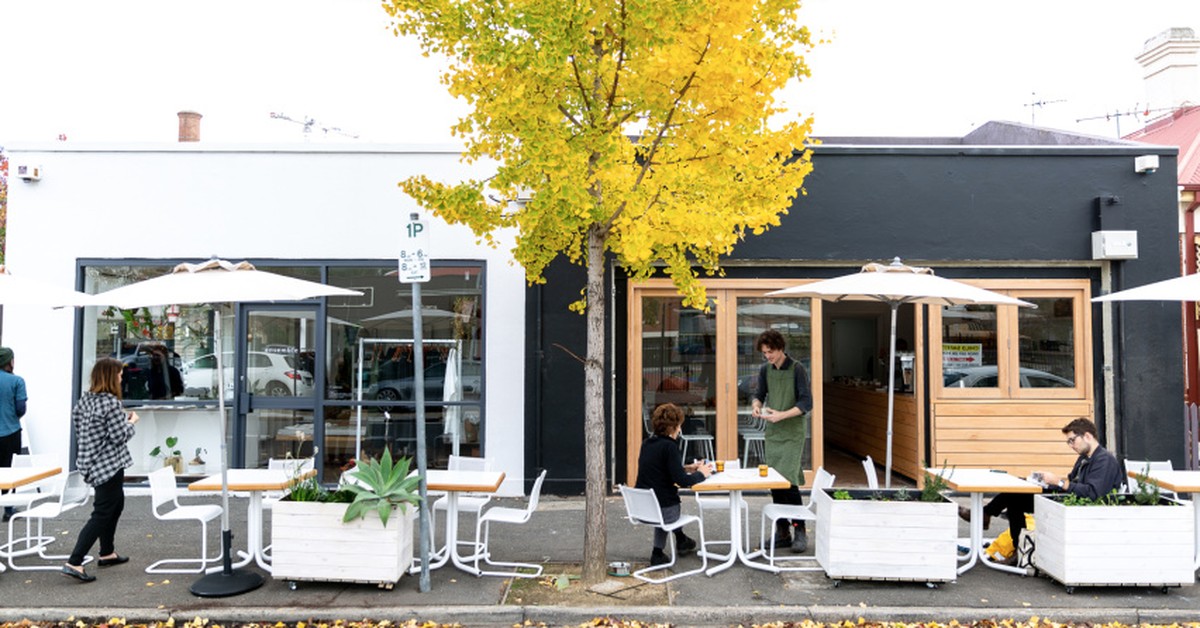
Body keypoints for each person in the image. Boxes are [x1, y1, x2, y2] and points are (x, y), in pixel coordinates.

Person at [965, 417, 1122, 566]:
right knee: (1015, 494)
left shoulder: (1104, 460)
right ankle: (1013, 545)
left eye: (1072, 440)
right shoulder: (1085, 458)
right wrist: (1043, 483)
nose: (1071, 445)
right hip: (1071, 501)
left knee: (1015, 499)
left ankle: (986, 516)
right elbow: (1071, 483)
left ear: (1087, 436)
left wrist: (1058, 482)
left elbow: (1093, 493)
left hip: (1081, 508)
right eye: (1068, 442)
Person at [62, 357, 139, 583]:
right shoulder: (111, 403)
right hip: (108, 465)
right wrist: (131, 422)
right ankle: (75, 561)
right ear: (111, 377)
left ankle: (107, 552)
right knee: (103, 512)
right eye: (120, 375)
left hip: (91, 461)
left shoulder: (84, 401)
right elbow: (118, 436)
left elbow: (86, 432)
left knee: (115, 504)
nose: (121, 379)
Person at [749, 329, 814, 553]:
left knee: (788, 480)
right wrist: (756, 406)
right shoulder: (765, 370)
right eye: (765, 353)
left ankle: (800, 530)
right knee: (775, 481)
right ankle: (783, 531)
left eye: (771, 352)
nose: (768, 356)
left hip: (792, 431)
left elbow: (806, 403)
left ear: (781, 348)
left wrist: (782, 415)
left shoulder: (797, 368)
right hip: (774, 432)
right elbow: (759, 394)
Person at [635, 402, 713, 567]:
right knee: (666, 505)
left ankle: (671, 546)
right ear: (674, 427)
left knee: (661, 502)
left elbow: (659, 469)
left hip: (643, 508)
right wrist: (702, 473)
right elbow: (682, 481)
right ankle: (675, 543)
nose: (680, 429)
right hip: (665, 511)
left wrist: (686, 468)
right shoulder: (670, 446)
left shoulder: (647, 444)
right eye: (679, 426)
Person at [0, 347, 29, 522]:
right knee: (9, 471)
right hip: (10, 432)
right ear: (9, 361)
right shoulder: (17, 381)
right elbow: (20, 408)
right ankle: (9, 509)